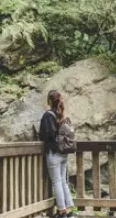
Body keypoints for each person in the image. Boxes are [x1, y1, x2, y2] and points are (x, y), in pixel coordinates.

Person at [39, 89, 75, 218]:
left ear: (49, 101)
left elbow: (46, 135)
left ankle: (61, 211)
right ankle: (69, 208)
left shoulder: (48, 115)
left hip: (53, 154)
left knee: (57, 182)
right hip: (64, 153)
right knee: (63, 181)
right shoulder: (62, 115)